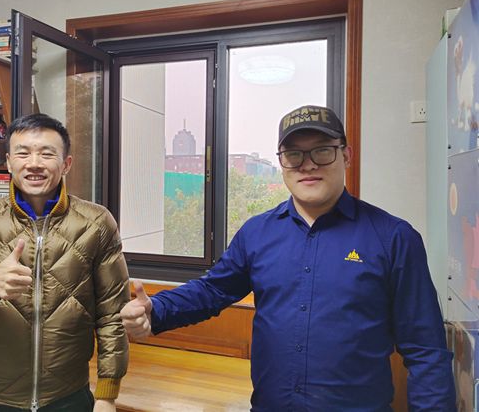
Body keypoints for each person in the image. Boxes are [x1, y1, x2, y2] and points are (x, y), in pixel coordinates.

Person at [121, 105, 455, 411]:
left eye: (322, 151)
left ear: (346, 155)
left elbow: (425, 350)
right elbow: (213, 290)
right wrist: (157, 309)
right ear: (281, 162)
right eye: (294, 154)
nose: (307, 164)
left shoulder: (394, 238)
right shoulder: (257, 233)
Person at [0, 113, 130, 412]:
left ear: (66, 164)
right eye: (23, 153)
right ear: (8, 163)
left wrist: (107, 394)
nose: (34, 163)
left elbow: (112, 314)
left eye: (47, 154)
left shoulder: (96, 223)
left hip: (68, 398)